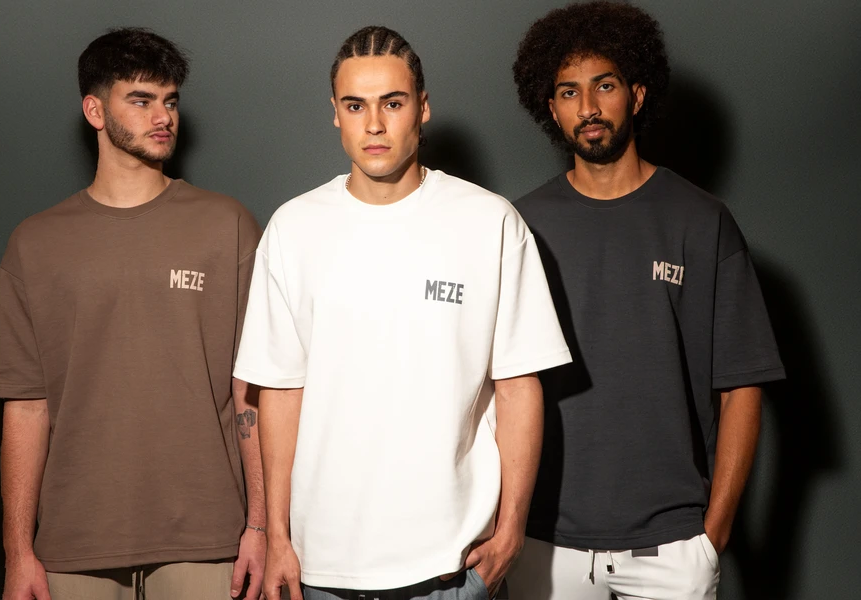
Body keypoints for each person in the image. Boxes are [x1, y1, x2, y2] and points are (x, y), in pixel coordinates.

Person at [233, 25, 571, 600]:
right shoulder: (294, 229)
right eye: (355, 105)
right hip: (322, 567)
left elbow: (519, 385)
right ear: (335, 114)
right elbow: (279, 392)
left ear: (423, 107)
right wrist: (278, 538)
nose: (374, 124)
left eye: (392, 103)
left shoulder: (490, 222)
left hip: (453, 568)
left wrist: (512, 531)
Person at [505, 3, 785, 599]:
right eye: (569, 91)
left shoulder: (702, 221)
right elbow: (498, 386)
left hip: (674, 545)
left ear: (635, 94)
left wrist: (713, 534)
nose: (587, 107)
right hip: (546, 541)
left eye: (604, 86)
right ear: (551, 108)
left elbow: (743, 385)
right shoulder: (520, 226)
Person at [0, 27, 265, 600]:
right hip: (74, 543)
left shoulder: (226, 225)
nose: (163, 117)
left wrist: (261, 527)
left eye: (170, 101)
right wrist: (17, 553)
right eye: (141, 100)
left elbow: (252, 391)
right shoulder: (35, 243)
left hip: (207, 537)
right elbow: (26, 405)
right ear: (94, 110)